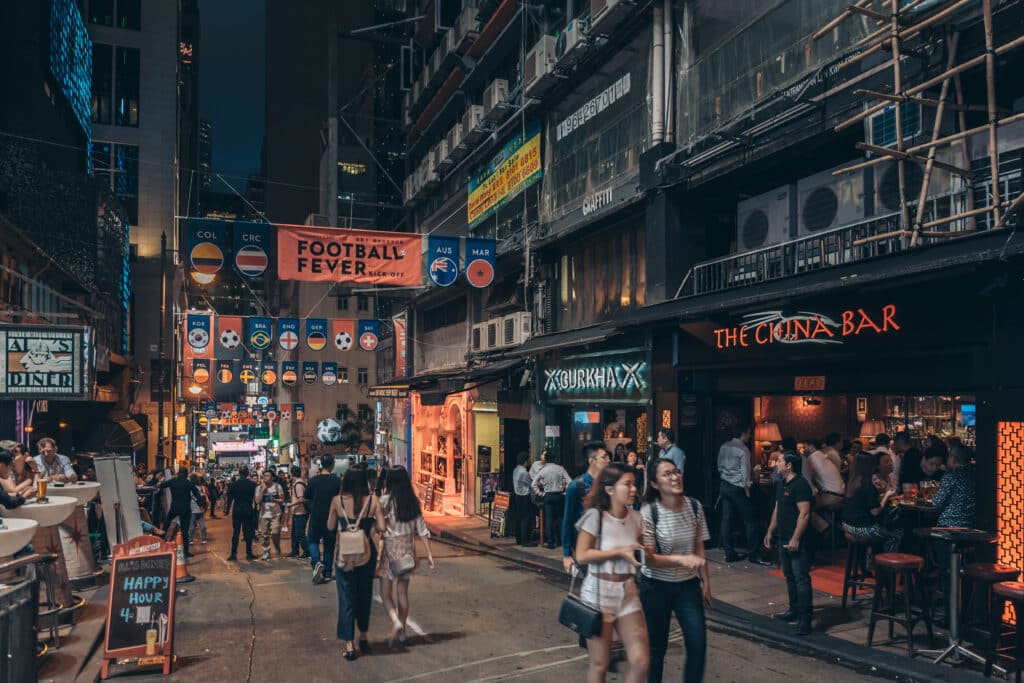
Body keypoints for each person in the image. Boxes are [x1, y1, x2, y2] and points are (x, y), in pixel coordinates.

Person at [574, 463, 649, 683]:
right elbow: (582, 555)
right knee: (600, 664)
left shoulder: (636, 518)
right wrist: (620, 552)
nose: (634, 488)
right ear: (609, 489)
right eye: (627, 484)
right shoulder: (595, 517)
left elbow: (640, 553)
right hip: (598, 595)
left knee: (641, 661)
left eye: (634, 483)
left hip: (628, 593)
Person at [640, 458, 710, 683]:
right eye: (666, 474)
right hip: (655, 587)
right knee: (656, 649)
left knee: (698, 645)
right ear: (654, 484)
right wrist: (682, 559)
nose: (674, 477)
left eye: (676, 472)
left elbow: (699, 545)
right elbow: (648, 560)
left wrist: (706, 581)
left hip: (688, 586)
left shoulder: (694, 506)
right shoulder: (649, 512)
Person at [375, 467, 434, 647]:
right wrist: (429, 555)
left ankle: (396, 621)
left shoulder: (384, 501)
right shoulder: (413, 501)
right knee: (402, 592)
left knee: (385, 593)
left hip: (391, 550)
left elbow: (379, 527)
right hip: (408, 550)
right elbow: (422, 530)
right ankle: (403, 633)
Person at [328, 466, 381, 660]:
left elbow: (330, 526)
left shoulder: (337, 501)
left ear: (346, 481)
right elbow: (382, 526)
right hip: (366, 554)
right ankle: (364, 636)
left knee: (346, 598)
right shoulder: (373, 501)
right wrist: (369, 525)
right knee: (364, 595)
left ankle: (349, 645)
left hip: (345, 555)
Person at [764, 452, 813, 635]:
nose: (777, 464)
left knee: (801, 578)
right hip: (782, 536)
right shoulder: (781, 484)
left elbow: (805, 514)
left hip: (797, 539)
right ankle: (794, 610)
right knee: (789, 576)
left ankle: (805, 619)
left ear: (789, 465)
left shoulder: (800, 485)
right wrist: (770, 531)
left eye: (779, 461)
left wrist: (796, 537)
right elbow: (778, 509)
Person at [717, 425, 769, 565]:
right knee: (750, 520)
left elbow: (719, 466)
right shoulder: (743, 449)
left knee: (726, 519)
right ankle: (753, 554)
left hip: (724, 485)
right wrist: (747, 490)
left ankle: (729, 553)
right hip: (737, 487)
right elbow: (746, 474)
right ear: (744, 433)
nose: (750, 435)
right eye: (749, 433)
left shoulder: (724, 446)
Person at [562, 442, 610, 573]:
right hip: (585, 546)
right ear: (592, 461)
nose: (608, 460)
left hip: (607, 545)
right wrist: (566, 554)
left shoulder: (609, 484)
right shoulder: (576, 486)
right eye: (604, 457)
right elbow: (568, 520)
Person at [842, 455, 901, 553]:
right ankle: (886, 566)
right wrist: (887, 495)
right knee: (897, 535)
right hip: (861, 529)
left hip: (847, 525)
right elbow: (875, 512)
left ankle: (870, 560)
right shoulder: (867, 484)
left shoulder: (852, 482)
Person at [305, 455, 342, 584]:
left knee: (312, 540)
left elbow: (306, 498)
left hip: (316, 516)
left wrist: (311, 509)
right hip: (332, 517)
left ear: (321, 464)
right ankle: (327, 573)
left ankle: (316, 562)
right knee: (329, 545)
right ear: (332, 465)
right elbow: (340, 499)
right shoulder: (337, 481)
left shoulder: (313, 481)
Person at [159, 468, 202, 558]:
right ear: (186, 474)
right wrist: (201, 503)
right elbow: (197, 494)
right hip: (185, 509)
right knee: (184, 531)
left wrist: (161, 480)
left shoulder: (173, 481)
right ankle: (185, 552)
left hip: (174, 507)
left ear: (179, 473)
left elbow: (161, 485)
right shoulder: (189, 483)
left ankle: (160, 543)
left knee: (166, 525)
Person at [532, 454, 571, 549]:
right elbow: (570, 481)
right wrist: (565, 492)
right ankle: (561, 540)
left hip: (548, 496)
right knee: (560, 518)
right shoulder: (560, 468)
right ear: (554, 459)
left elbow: (533, 484)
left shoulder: (543, 470)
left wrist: (540, 494)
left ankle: (550, 542)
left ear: (545, 460)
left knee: (549, 519)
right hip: (558, 495)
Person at [932, 444, 975, 527]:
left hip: (949, 523)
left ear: (954, 459)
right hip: (970, 524)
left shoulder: (951, 475)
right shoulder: (975, 474)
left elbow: (936, 503)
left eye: (949, 456)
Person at [226, 466, 258, 561]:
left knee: (236, 533)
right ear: (248, 473)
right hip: (248, 510)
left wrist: (227, 510)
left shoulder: (233, 485)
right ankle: (249, 553)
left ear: (239, 473)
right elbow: (255, 500)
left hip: (237, 510)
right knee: (248, 532)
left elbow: (230, 499)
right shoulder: (252, 485)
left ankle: (233, 554)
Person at [256, 470, 284, 560]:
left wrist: (275, 500)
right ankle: (266, 552)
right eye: (264, 476)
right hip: (264, 515)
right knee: (265, 535)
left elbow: (282, 500)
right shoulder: (259, 488)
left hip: (276, 514)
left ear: (272, 478)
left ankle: (276, 545)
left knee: (275, 532)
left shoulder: (277, 486)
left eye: (267, 476)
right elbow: (257, 501)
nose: (265, 477)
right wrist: (262, 491)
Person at [512, 452, 536, 546]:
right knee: (526, 518)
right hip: (524, 496)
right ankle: (525, 541)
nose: (530, 461)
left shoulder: (516, 470)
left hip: (517, 496)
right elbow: (531, 484)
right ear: (525, 461)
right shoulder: (524, 472)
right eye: (529, 460)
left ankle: (519, 539)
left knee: (519, 518)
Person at [287, 466, 309, 558]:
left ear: (292, 474)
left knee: (300, 534)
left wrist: (290, 505)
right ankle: (294, 551)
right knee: (294, 534)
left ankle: (307, 551)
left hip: (301, 512)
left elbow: (301, 499)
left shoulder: (298, 484)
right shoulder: (299, 482)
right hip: (298, 512)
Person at [188, 474, 208, 545]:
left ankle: (190, 540)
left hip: (192, 509)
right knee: (202, 526)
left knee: (191, 526)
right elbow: (203, 497)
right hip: (200, 509)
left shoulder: (189, 487)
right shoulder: (201, 487)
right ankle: (204, 539)